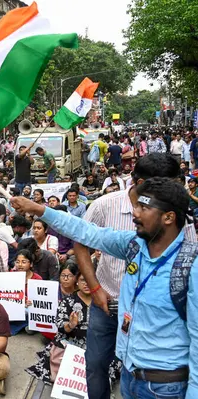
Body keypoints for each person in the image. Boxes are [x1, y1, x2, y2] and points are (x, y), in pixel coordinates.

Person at [10, 178, 197, 399]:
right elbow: (85, 231)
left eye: (144, 208)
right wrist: (39, 209)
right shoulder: (133, 245)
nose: (135, 213)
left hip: (166, 387)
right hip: (130, 376)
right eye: (136, 205)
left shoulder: (191, 267)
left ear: (169, 217)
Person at [71, 153, 196, 399]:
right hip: (107, 305)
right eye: (164, 187)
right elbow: (81, 238)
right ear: (140, 184)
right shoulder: (105, 204)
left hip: (153, 318)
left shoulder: (177, 214)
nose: (172, 193)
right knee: (95, 365)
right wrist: (95, 289)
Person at [26, 270, 120, 386]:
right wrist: (70, 325)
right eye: (82, 280)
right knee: (65, 372)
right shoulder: (68, 301)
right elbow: (60, 324)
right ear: (77, 283)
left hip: (98, 343)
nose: (86, 284)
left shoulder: (104, 301)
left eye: (89, 281)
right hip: (71, 342)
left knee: (103, 371)